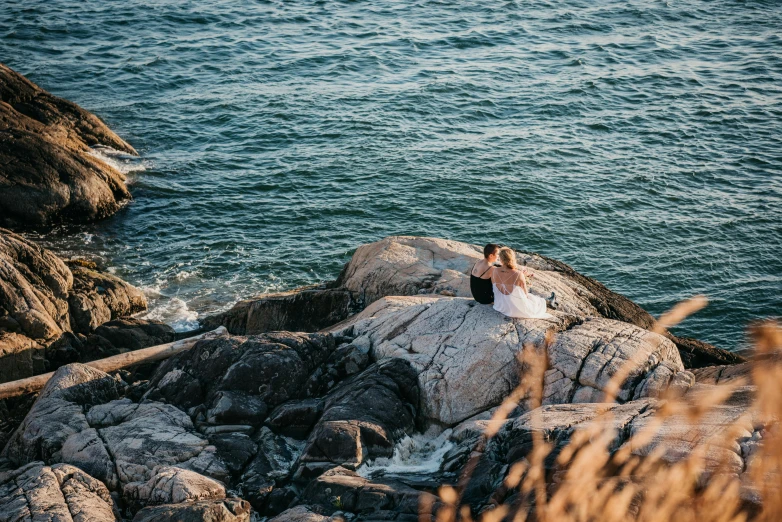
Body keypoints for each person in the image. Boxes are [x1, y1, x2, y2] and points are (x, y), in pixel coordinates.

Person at [492, 247, 554, 319]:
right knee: (533, 299)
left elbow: (496, 286)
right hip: (515, 310)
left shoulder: (495, 271)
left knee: (531, 298)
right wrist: (522, 277)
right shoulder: (518, 274)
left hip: (500, 306)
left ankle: (548, 301)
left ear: (501, 259)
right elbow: (525, 294)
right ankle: (548, 301)